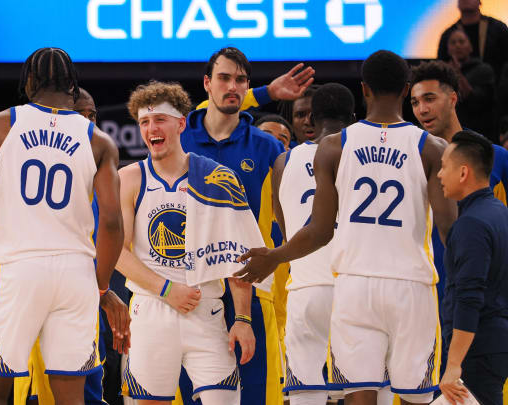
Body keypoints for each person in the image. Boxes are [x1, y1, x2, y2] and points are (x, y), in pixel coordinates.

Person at [236, 50, 458, 405]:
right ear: (406, 90)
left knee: (359, 394)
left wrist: (275, 256)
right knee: (417, 397)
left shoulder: (333, 147)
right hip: (410, 286)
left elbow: (320, 230)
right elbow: (450, 230)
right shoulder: (431, 148)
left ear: (364, 89)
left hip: (353, 287)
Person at [0, 47, 123, 405]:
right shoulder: (98, 139)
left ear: (29, 81)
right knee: (70, 397)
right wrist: (99, 284)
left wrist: (1, 232)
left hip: (18, 267)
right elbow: (111, 222)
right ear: (72, 85)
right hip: (76, 274)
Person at [180, 46, 314, 405]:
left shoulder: (268, 147)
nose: (233, 87)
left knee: (257, 395)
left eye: (241, 80)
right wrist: (268, 92)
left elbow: (287, 217)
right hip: (191, 285)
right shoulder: (181, 136)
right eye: (224, 78)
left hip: (253, 283)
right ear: (207, 83)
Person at [116, 80, 255, 405]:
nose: (152, 128)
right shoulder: (129, 178)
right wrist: (167, 289)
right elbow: (118, 254)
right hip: (151, 309)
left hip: (206, 310)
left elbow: (238, 254)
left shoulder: (217, 176)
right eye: (144, 122)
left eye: (159, 119)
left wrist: (244, 318)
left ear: (180, 123)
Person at [14, 86, 131, 405]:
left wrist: (102, 293)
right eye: (80, 113)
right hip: (45, 301)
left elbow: (112, 231)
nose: (88, 121)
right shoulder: (39, 170)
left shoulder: (101, 171)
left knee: (90, 390)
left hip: (85, 303)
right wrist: (103, 293)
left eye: (93, 115)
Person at [272, 83, 354, 405]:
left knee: (306, 394)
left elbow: (286, 226)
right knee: (363, 391)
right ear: (353, 116)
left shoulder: (283, 162)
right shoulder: (359, 153)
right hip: (352, 286)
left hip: (305, 289)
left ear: (313, 117)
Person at [437, 130, 508, 405]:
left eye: (444, 167)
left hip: (476, 353)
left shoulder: (471, 224)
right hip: (493, 346)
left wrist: (454, 364)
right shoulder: (500, 212)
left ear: (463, 172)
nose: (440, 174)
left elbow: (469, 297)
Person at [410, 60, 508, 206]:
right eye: (415, 103)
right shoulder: (409, 160)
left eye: (429, 99)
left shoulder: (496, 157)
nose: (422, 110)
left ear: (452, 99)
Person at [437, 0, 508, 86]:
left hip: (495, 91)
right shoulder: (448, 35)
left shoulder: (499, 29)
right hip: (459, 93)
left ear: (480, 2)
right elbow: (440, 67)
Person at [446, 28, 496, 140]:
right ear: (448, 49)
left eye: (462, 41)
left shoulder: (483, 70)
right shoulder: (442, 72)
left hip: (479, 132)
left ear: (470, 47)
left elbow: (476, 100)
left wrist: (457, 73)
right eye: (453, 42)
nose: (457, 45)